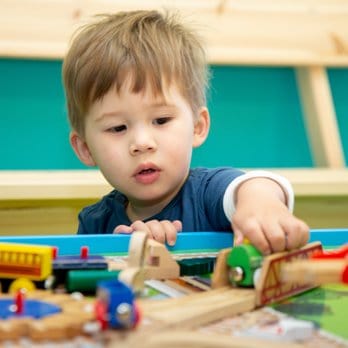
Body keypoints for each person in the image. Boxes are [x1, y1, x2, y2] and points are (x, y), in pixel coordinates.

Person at [62, 10, 309, 255]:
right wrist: (118, 255)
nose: (142, 143)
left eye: (161, 120)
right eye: (117, 128)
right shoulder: (95, 223)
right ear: (85, 148)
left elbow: (253, 186)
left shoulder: (207, 194)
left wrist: (261, 206)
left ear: (197, 126)